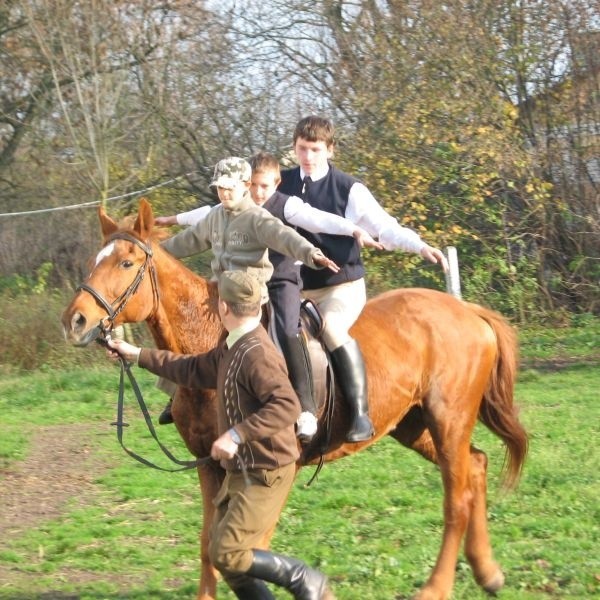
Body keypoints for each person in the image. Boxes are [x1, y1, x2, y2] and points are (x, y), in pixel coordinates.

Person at [105, 270, 330, 599]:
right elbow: (191, 369)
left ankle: (305, 579)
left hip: (266, 470)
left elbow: (286, 406)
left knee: (227, 553)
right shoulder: (234, 345)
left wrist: (236, 435)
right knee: (223, 554)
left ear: (223, 307)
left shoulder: (257, 354)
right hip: (242, 470)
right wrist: (136, 354)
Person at [157, 152, 382, 440]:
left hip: (273, 283)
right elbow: (187, 241)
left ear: (245, 184)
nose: (225, 193)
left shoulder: (260, 216)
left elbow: (287, 237)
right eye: (220, 188)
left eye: (230, 187)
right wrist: (149, 253)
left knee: (288, 329)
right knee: (194, 326)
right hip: (227, 286)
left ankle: (306, 409)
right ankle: (176, 392)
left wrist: (313, 254)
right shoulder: (215, 215)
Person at [278, 115, 449, 443]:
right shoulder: (281, 183)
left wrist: (419, 245)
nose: (307, 157)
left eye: (315, 149)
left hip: (340, 287)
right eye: (302, 149)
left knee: (330, 327)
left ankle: (359, 413)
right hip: (294, 287)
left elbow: (385, 227)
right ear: (294, 147)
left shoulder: (348, 189)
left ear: (330, 150)